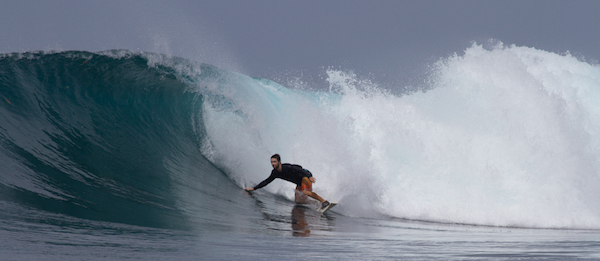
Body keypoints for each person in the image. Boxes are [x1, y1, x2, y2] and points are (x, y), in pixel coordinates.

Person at [245, 154, 330, 210]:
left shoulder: (287, 167)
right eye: (271, 162)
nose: (272, 164)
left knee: (304, 191)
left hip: (305, 177)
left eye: (274, 162)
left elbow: (300, 169)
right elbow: (266, 181)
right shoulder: (275, 173)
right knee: (298, 201)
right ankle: (316, 203)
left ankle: (324, 202)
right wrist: (254, 188)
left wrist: (309, 176)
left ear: (279, 162)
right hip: (299, 183)